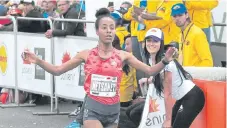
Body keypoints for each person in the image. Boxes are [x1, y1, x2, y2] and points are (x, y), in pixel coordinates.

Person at [21, 8, 176, 128]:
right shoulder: (86, 55)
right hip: (93, 109)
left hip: (113, 110)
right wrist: (37, 60)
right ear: (97, 31)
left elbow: (149, 70)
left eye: (111, 27)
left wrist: (165, 60)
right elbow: (57, 70)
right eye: (104, 27)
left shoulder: (123, 56)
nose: (109, 31)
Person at [126, 28, 165, 127]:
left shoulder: (164, 59)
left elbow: (165, 81)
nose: (151, 44)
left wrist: (148, 80)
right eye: (149, 40)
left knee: (134, 113)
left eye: (155, 41)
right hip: (154, 97)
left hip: (163, 101)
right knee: (129, 111)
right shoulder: (150, 58)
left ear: (161, 43)